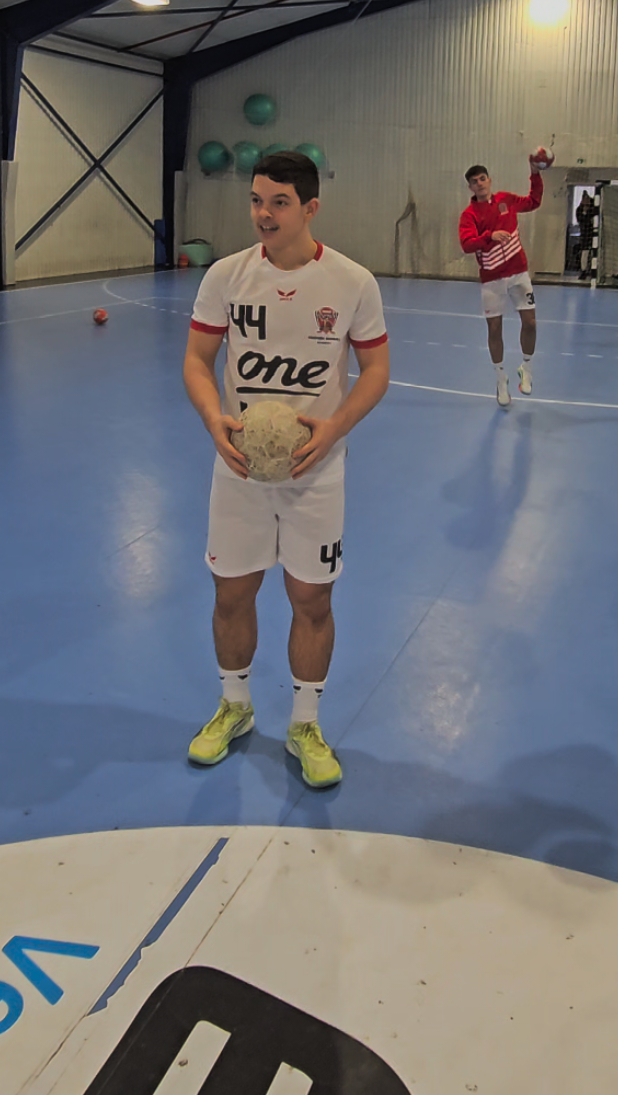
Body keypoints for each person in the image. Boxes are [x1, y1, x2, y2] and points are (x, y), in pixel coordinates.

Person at [182, 152, 390, 789]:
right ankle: (235, 706)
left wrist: (335, 428)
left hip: (316, 474)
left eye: (278, 202)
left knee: (312, 599)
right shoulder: (226, 276)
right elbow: (196, 359)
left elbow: (376, 371)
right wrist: (215, 421)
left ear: (309, 207)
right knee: (231, 592)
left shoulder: (352, 282)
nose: (263, 214)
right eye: (256, 200)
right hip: (240, 470)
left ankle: (304, 723)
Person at [459, 157, 543, 406]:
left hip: (518, 273)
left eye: (482, 179)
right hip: (492, 279)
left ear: (489, 180)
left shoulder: (506, 200)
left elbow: (534, 201)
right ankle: (500, 378)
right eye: (474, 182)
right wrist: (489, 236)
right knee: (494, 329)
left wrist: (535, 173)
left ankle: (526, 368)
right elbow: (467, 244)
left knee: (530, 323)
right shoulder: (469, 215)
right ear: (470, 187)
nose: (480, 184)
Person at [576, 191, 596, 279]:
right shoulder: (579, 210)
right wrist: (584, 212)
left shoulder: (593, 210)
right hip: (584, 234)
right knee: (584, 253)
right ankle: (583, 270)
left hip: (593, 234)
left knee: (593, 253)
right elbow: (580, 220)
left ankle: (592, 270)